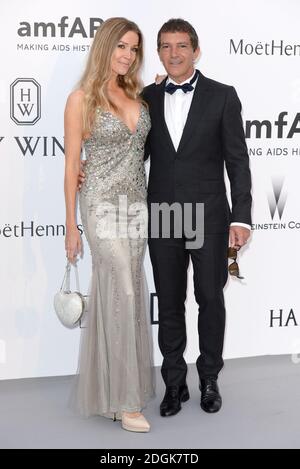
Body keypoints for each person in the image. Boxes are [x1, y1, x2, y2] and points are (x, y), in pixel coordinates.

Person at [79, 18, 252, 418]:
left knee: (210, 300)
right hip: (162, 216)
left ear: (196, 50)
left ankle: (209, 378)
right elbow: (130, 150)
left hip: (208, 216)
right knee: (170, 303)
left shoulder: (223, 96)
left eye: (181, 46)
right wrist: (92, 165)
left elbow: (238, 162)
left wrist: (241, 218)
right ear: (158, 52)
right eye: (165, 47)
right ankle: (174, 384)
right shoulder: (147, 98)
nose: (173, 54)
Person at [64, 17, 154, 433]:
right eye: (120, 45)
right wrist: (70, 226)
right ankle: (127, 401)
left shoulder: (139, 95)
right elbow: (70, 167)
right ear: (105, 47)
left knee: (126, 292)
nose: (127, 54)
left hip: (137, 207)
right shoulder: (81, 99)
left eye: (133, 48)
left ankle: (112, 394)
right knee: (126, 286)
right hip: (100, 205)